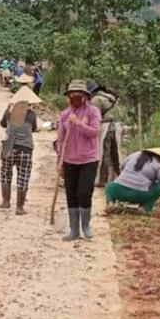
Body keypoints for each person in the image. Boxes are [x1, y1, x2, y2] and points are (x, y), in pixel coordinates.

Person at [57, 80, 101, 241]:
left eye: (79, 94)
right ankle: (74, 229)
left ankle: (86, 226)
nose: (75, 97)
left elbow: (94, 132)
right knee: (71, 194)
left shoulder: (93, 112)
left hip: (89, 159)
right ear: (69, 96)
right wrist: (59, 161)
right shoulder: (64, 115)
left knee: (84, 192)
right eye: (72, 94)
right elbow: (61, 139)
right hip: (69, 160)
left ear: (85, 96)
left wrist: (78, 124)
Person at [0, 85, 39, 215]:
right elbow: (33, 128)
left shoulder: (9, 111)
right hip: (25, 148)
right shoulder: (31, 114)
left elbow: (3, 124)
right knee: (23, 176)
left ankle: (5, 201)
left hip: (8, 146)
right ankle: (19, 207)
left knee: (5, 173)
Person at [105, 147, 160, 213]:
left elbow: (121, 165)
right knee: (159, 187)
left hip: (119, 192)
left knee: (109, 186)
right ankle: (145, 209)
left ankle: (110, 203)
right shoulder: (157, 165)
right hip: (139, 195)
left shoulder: (135, 155)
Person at [88, 83, 125, 187]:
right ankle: (117, 178)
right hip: (116, 127)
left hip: (105, 127)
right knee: (116, 153)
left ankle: (102, 179)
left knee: (104, 153)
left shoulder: (97, 100)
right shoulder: (112, 99)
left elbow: (95, 116)